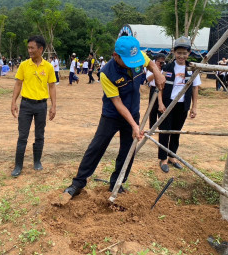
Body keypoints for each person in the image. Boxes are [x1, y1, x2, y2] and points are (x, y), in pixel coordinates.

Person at [63, 36, 165, 198]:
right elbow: (117, 102)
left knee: (128, 150)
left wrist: (158, 73)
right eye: (127, 60)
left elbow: (150, 63)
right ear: (115, 56)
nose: (133, 63)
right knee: (97, 147)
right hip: (112, 115)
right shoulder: (106, 73)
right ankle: (78, 183)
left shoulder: (137, 57)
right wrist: (134, 125)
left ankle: (117, 183)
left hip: (134, 112)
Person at [10, 35, 56, 177]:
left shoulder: (48, 67)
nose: (29, 50)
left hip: (41, 106)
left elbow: (52, 86)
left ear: (40, 49)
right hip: (26, 105)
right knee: (22, 136)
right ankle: (18, 165)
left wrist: (54, 105)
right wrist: (13, 102)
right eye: (28, 48)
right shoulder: (24, 65)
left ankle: (37, 162)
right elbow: (18, 84)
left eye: (32, 48)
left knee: (39, 135)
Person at [157, 36, 201, 173]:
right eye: (179, 52)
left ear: (189, 53)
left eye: (184, 53)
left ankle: (172, 156)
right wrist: (160, 103)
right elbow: (159, 87)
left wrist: (194, 107)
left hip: (182, 105)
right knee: (165, 132)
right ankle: (163, 158)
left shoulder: (192, 69)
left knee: (176, 132)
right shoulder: (167, 68)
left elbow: (195, 88)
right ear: (174, 52)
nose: (181, 56)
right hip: (166, 104)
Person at [146, 53, 166, 128]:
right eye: (159, 62)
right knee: (152, 108)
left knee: (162, 107)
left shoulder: (165, 68)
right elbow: (148, 79)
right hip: (154, 88)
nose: (161, 63)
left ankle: (161, 126)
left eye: (162, 62)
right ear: (155, 61)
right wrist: (156, 72)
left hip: (163, 88)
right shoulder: (151, 68)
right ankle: (152, 127)